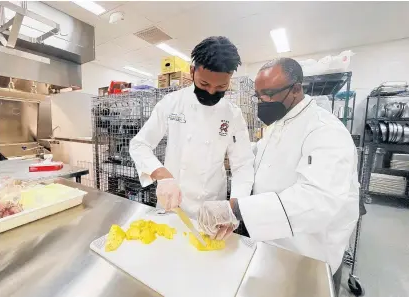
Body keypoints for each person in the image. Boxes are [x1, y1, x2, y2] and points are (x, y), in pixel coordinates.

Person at [197, 58, 359, 288]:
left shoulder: (326, 131)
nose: (262, 101)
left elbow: (317, 200)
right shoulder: (280, 123)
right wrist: (229, 156)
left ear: (296, 89)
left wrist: (235, 209)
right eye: (258, 95)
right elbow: (263, 156)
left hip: (308, 250)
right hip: (271, 240)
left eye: (269, 94)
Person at [129, 36, 254, 217]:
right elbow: (139, 145)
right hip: (172, 203)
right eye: (204, 83)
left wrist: (232, 209)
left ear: (230, 78)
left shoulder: (232, 113)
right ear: (192, 71)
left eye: (221, 86)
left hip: (212, 207)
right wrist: (163, 176)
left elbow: (242, 164)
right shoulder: (172, 103)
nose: (211, 91)